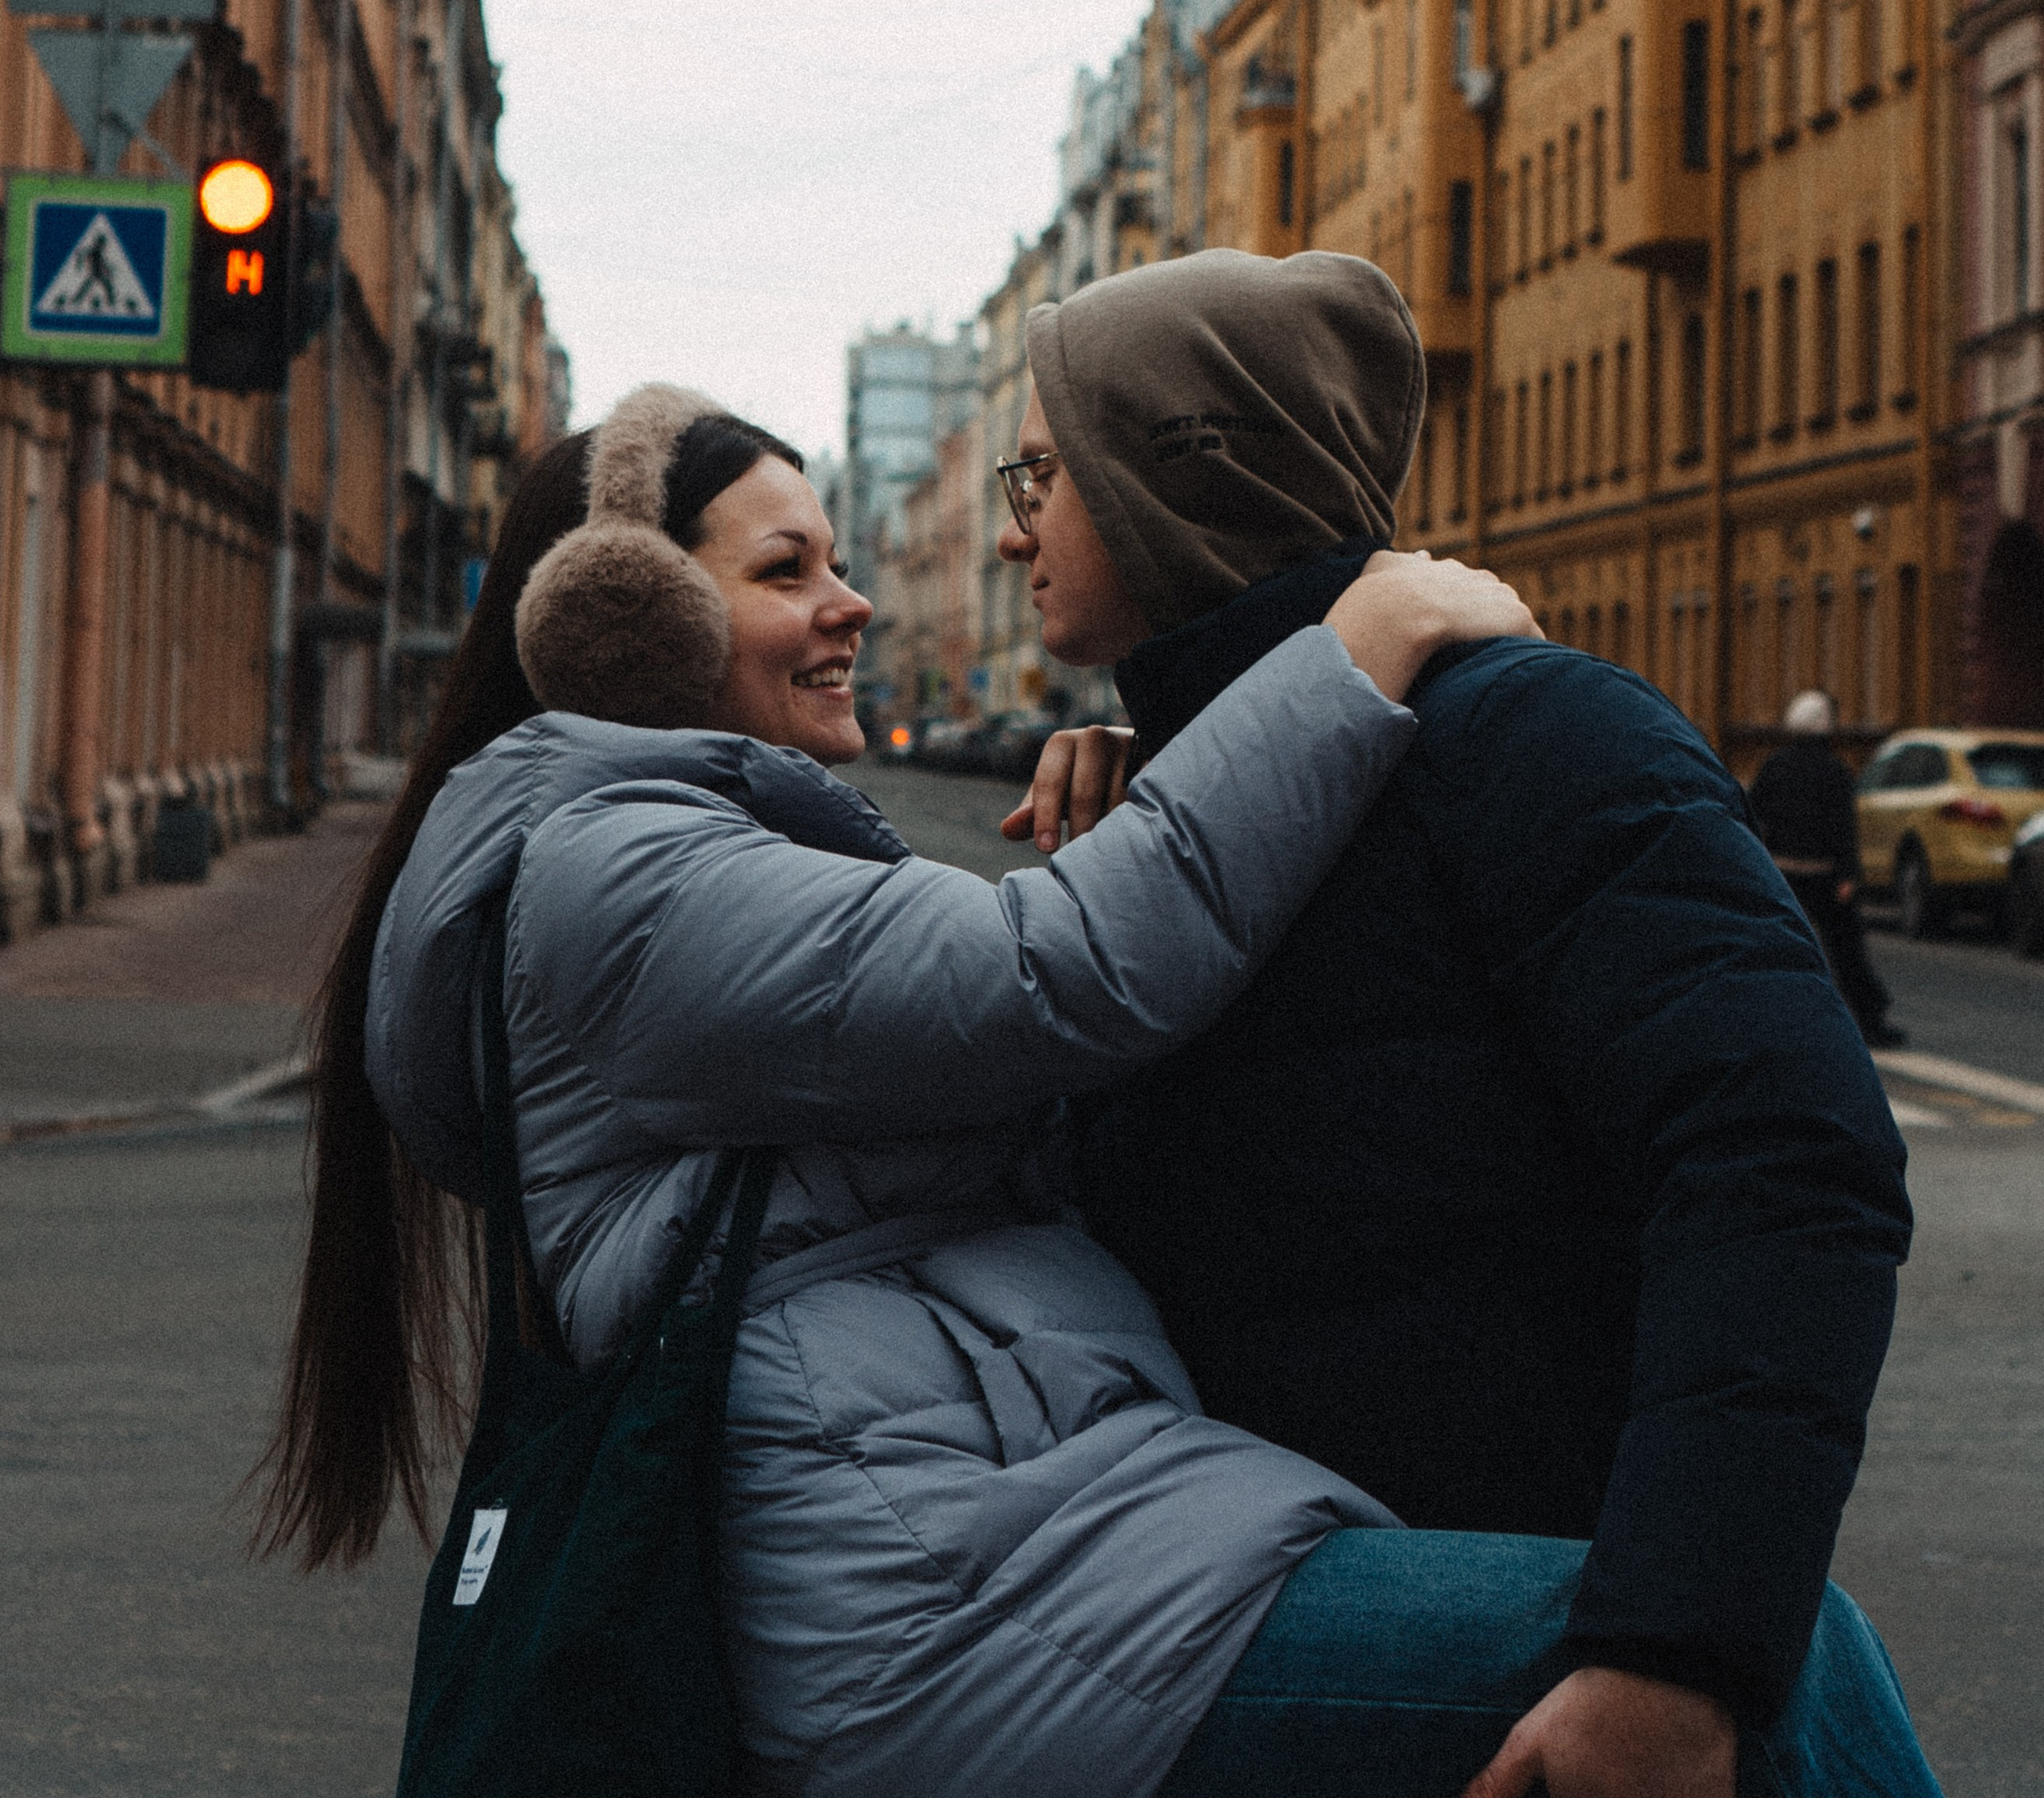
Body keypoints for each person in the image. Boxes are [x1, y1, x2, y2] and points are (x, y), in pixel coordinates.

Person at [264, 382, 1626, 1797]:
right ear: (632, 625)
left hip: (1012, 1541)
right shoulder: (615, 874)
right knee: (1670, 1676)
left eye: (840, 559)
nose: (853, 603)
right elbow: (1060, 975)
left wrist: (1147, 795)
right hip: (936, 1602)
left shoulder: (690, 853)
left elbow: (1025, 1070)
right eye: (786, 571)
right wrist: (1352, 653)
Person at [995, 248, 1929, 1798]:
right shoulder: (1169, 810)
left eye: (1044, 471)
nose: (1012, 524)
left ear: (1183, 477)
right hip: (1261, 1637)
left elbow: (1781, 1164)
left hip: (1518, 1652)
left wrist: (1672, 1651)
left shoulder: (1534, 735)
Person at [1749, 690, 1905, 1049]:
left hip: (1782, 873)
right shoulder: (1835, 770)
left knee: (1774, 947)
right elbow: (1843, 828)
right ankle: (1871, 1021)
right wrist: (1849, 875)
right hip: (1825, 874)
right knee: (1847, 952)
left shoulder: (1775, 765)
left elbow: (1755, 814)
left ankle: (1765, 1018)